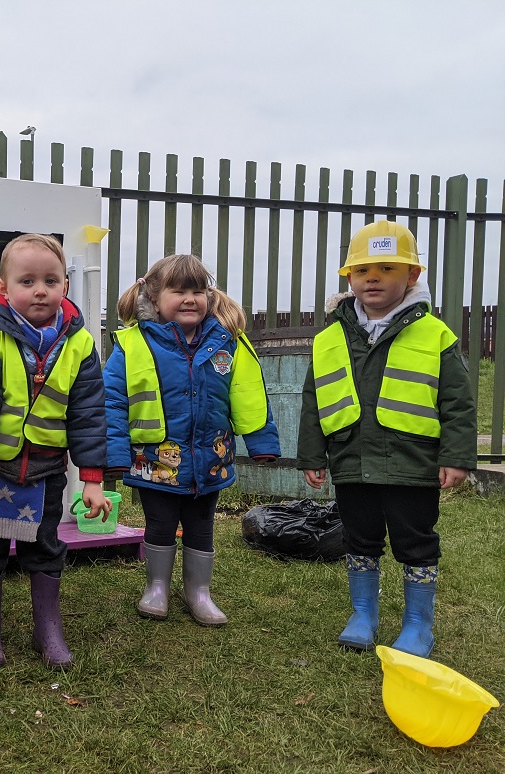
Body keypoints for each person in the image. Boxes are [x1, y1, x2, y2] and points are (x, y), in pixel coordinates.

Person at [298, 220, 476, 658]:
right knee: (360, 537)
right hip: (352, 461)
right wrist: (311, 456)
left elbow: (458, 402)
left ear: (412, 276)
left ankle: (418, 626)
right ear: (350, 280)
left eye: (386, 268)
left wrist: (456, 457)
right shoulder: (329, 338)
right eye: (361, 271)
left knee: (415, 540)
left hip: (412, 464)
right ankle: (363, 614)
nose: (371, 277)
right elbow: (312, 400)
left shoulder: (436, 335)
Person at [0, 233, 110, 669]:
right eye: (27, 281)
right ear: (3, 287)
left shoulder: (79, 343)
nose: (40, 290)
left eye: (51, 280)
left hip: (46, 470)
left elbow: (89, 414)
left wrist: (93, 480)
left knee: (44, 545)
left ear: (65, 284)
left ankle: (48, 629)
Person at [103, 254, 279, 627]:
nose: (189, 299)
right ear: (152, 295)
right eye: (178, 290)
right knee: (160, 524)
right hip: (155, 463)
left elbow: (249, 393)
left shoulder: (227, 342)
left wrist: (262, 442)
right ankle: (157, 588)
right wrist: (115, 453)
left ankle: (199, 592)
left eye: (197, 291)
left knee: (202, 526)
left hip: (209, 460)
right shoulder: (133, 343)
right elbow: (113, 400)